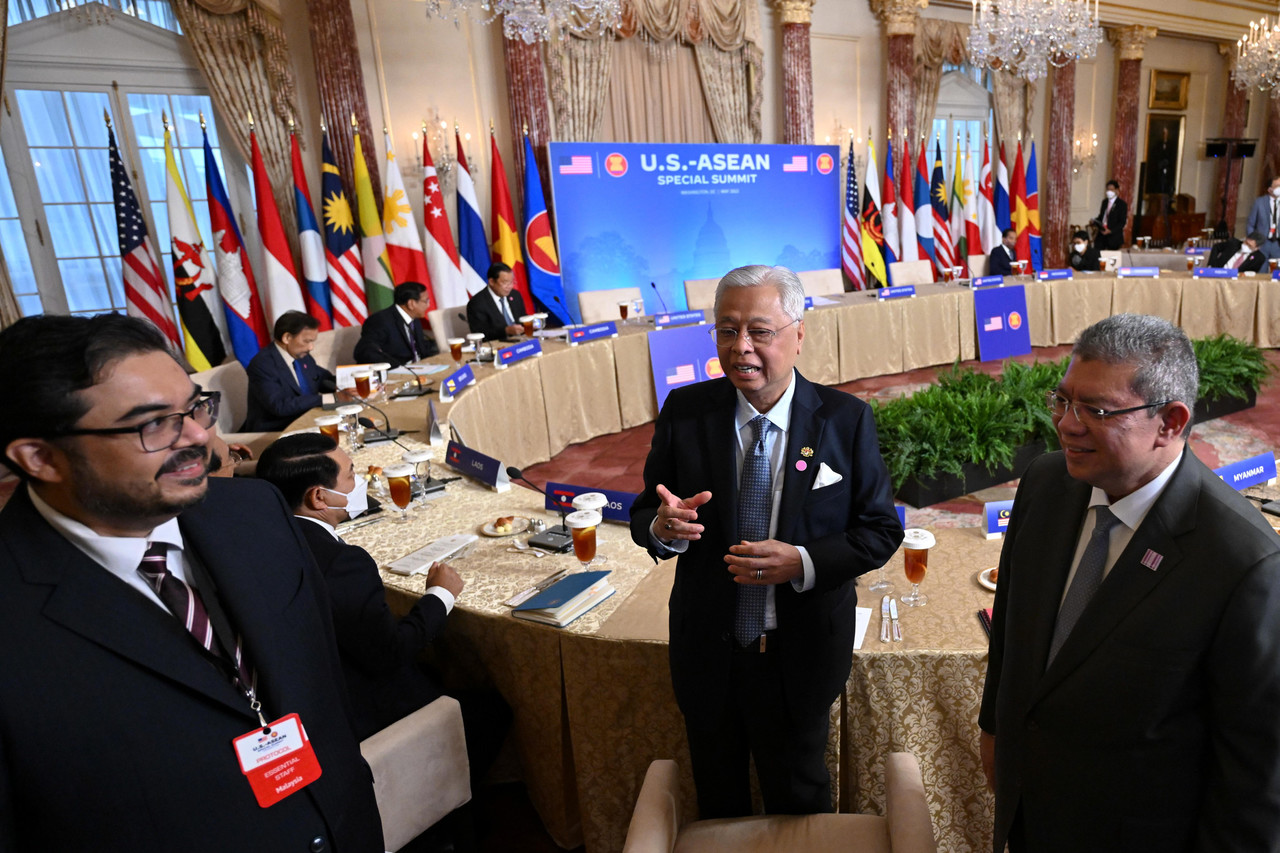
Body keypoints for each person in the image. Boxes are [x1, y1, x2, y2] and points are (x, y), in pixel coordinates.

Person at [0, 313, 383, 852]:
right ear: (40, 457)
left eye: (195, 407)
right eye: (153, 424)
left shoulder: (257, 513)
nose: (201, 437)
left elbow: (321, 680)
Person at [979, 313, 1280, 853]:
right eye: (1063, 401)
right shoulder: (1047, 484)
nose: (1067, 425)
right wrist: (994, 733)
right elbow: (1012, 636)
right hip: (1028, 817)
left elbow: (1254, 778)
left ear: (1170, 421)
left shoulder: (1243, 563)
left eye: (1094, 410)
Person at [629, 264, 903, 819]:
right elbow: (645, 513)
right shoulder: (687, 413)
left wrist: (801, 562)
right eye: (727, 331)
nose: (741, 347)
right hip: (707, 650)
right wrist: (663, 529)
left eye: (760, 331)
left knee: (799, 798)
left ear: (798, 334)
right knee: (718, 797)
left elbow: (880, 530)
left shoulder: (844, 420)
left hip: (798, 653)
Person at [257, 433, 510, 778]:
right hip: (355, 711)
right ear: (319, 497)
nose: (358, 482)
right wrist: (440, 596)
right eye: (350, 474)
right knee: (493, 709)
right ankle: (456, 815)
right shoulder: (342, 563)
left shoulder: (261, 537)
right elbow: (391, 653)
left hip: (296, 696)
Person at [242, 310, 347, 432]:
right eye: (307, 341)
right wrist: (330, 398)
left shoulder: (302, 356)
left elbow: (322, 379)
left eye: (313, 342)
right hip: (276, 428)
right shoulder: (262, 364)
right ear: (287, 338)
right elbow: (279, 405)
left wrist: (349, 385)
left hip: (307, 418)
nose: (311, 347)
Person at [353, 281, 438, 366]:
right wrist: (398, 366)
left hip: (421, 367)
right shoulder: (380, 321)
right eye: (425, 301)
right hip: (397, 372)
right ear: (411, 304)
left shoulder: (414, 317)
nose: (428, 305)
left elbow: (421, 347)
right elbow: (365, 352)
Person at [466, 262, 528, 341]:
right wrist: (506, 331)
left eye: (512, 282)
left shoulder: (515, 295)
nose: (510, 286)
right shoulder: (477, 303)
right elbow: (480, 334)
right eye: (505, 282)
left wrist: (533, 322)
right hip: (498, 345)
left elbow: (523, 318)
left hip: (521, 340)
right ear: (491, 282)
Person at [1245, 175, 1280, 260]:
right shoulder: (1259, 202)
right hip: (1262, 244)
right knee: (1261, 271)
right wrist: (1252, 241)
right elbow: (1250, 224)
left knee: (1277, 272)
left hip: (1278, 244)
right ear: (1269, 189)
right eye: (1277, 186)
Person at [1090, 179, 1128, 251]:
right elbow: (1102, 217)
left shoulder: (1122, 204)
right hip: (1102, 234)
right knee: (1098, 254)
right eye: (1108, 190)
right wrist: (1095, 221)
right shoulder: (1104, 202)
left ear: (1117, 190)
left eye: (1111, 189)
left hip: (1114, 237)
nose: (1109, 192)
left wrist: (1110, 231)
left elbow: (1122, 222)